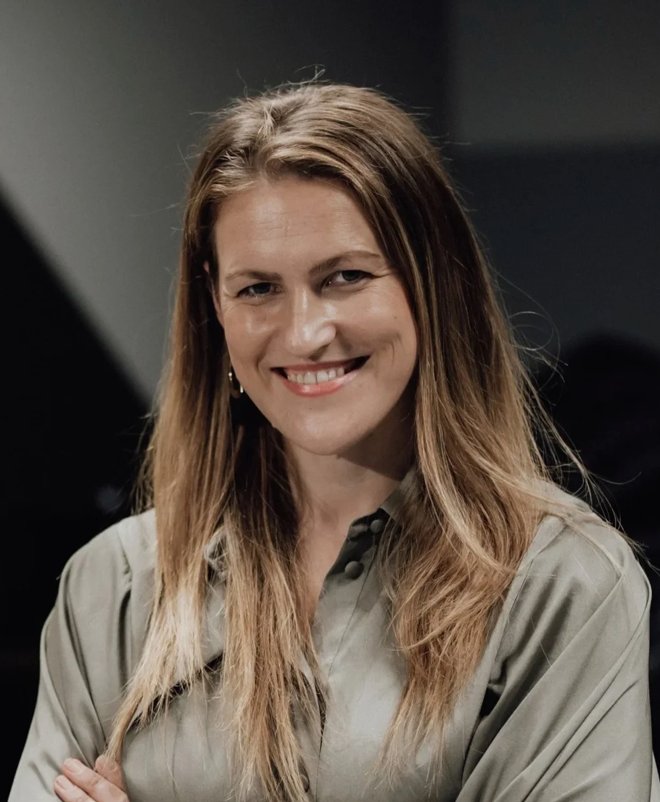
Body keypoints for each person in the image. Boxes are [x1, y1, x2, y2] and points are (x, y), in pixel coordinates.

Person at [9, 81, 660, 802]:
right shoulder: (117, 587)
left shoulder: (562, 588)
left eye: (345, 277)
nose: (304, 333)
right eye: (257, 289)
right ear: (214, 306)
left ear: (434, 287)